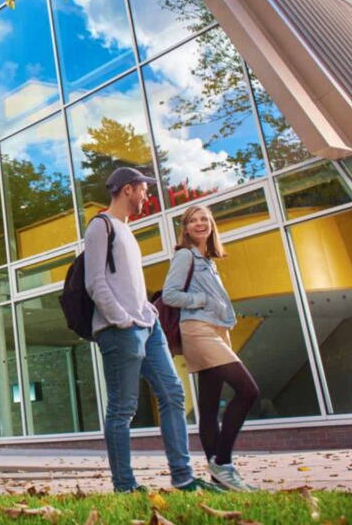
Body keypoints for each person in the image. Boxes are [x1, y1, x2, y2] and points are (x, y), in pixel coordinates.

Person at [83, 167, 220, 493]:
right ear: (128, 189)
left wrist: (148, 313)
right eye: (144, 189)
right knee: (123, 408)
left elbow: (127, 284)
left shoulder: (126, 231)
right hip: (120, 331)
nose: (147, 195)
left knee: (173, 393)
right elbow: (95, 282)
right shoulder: (100, 226)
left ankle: (183, 477)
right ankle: (125, 485)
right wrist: (123, 319)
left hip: (147, 326)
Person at [162, 205, 259, 492]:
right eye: (193, 220)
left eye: (204, 218)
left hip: (216, 330)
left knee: (207, 407)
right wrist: (201, 300)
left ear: (212, 224)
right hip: (199, 330)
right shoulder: (184, 256)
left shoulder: (208, 259)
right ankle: (223, 462)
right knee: (248, 390)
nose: (200, 223)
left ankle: (219, 478)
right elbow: (170, 294)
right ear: (186, 228)